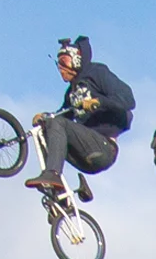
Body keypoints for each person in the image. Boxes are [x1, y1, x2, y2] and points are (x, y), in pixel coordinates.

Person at [24, 37, 134, 193]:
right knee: (46, 130)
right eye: (59, 63)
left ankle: (52, 174)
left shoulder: (97, 73)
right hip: (85, 155)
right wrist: (43, 118)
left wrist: (98, 101)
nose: (60, 68)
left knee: (56, 124)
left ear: (76, 60)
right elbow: (61, 119)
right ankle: (60, 194)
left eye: (64, 62)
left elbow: (128, 99)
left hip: (104, 148)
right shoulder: (71, 93)